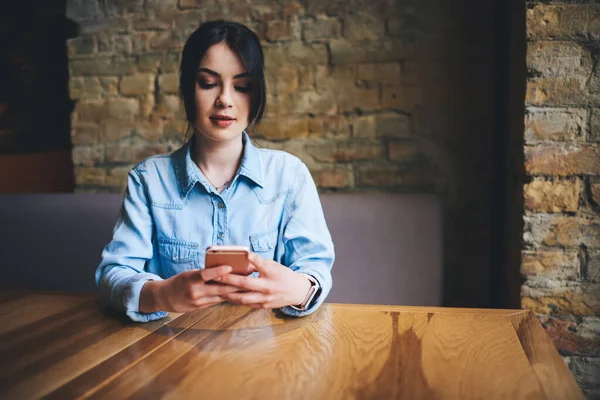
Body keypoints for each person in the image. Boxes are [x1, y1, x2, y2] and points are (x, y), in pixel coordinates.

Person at [95, 20, 335, 322]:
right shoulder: (148, 180)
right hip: (168, 352)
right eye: (208, 83)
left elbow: (315, 270)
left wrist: (299, 290)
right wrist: (162, 294)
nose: (225, 99)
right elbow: (113, 273)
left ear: (256, 93)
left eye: (242, 86)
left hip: (267, 353)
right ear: (186, 90)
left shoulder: (289, 175)